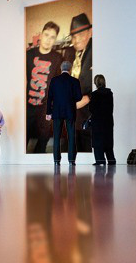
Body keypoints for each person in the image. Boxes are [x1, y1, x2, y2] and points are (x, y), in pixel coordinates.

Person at [27, 21, 63, 153]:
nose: (48, 40)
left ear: (55, 39)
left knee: (43, 139)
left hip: (46, 107)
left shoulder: (58, 58)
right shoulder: (29, 55)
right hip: (27, 106)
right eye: (46, 35)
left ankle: (39, 164)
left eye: (52, 37)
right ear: (41, 35)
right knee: (23, 137)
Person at [63, 13, 93, 152]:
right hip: (71, 117)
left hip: (89, 115)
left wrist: (88, 98)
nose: (76, 40)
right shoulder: (69, 53)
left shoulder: (97, 50)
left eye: (80, 35)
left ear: (90, 32)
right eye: (74, 36)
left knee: (88, 152)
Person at [46, 61, 83, 165]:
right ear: (70, 69)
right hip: (70, 111)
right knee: (71, 136)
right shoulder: (75, 81)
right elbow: (79, 97)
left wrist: (48, 112)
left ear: (61, 69)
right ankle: (71, 160)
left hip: (57, 112)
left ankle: (56, 161)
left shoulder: (54, 80)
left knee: (56, 137)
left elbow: (49, 98)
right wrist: (71, 99)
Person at [81, 74, 115, 165]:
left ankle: (100, 161)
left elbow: (92, 109)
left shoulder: (94, 95)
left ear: (95, 83)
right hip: (108, 121)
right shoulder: (109, 93)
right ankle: (111, 160)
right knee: (108, 142)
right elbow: (111, 108)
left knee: (98, 143)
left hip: (98, 122)